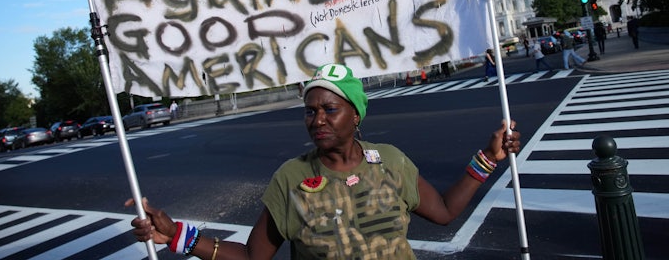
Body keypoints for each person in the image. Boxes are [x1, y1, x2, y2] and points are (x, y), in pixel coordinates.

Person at [127, 63, 521, 259]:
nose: (317, 120)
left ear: (356, 115)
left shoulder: (391, 162)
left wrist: (488, 157)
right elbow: (252, 257)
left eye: (329, 109)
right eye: (310, 111)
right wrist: (179, 235)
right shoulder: (291, 178)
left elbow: (446, 211)